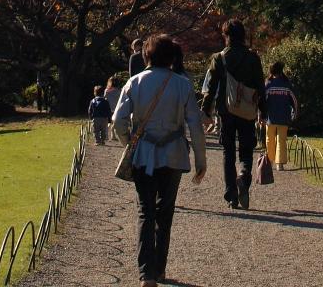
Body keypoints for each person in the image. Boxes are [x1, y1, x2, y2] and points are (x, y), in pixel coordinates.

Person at [114, 33, 207, 287]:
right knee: (165, 212)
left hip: (143, 154)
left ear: (146, 55)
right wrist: (201, 160)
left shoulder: (134, 82)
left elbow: (118, 121)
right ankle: (160, 269)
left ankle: (146, 274)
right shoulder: (182, 84)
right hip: (174, 153)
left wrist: (129, 143)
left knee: (145, 211)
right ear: (171, 57)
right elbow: (195, 125)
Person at [201, 19, 265, 210]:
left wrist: (205, 110)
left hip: (226, 110)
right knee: (246, 148)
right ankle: (244, 175)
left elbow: (211, 87)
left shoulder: (219, 58)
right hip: (247, 109)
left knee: (228, 151)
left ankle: (231, 195)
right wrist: (263, 110)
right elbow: (260, 86)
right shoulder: (253, 57)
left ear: (226, 35)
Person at [263, 61, 299, 170]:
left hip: (270, 118)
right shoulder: (287, 84)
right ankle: (280, 164)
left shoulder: (268, 84)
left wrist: (260, 115)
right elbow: (294, 100)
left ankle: (269, 161)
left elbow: (262, 101)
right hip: (284, 117)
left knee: (269, 140)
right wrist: (295, 112)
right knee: (281, 140)